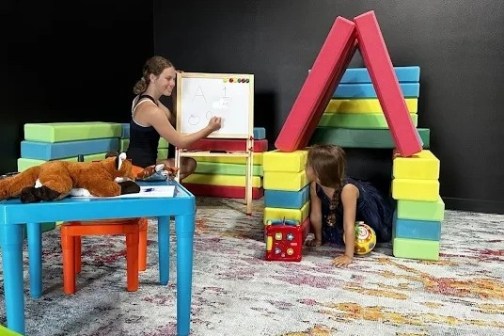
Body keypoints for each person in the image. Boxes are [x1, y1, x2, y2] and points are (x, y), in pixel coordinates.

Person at [126, 55, 221, 179]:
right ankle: (159, 185)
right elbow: (181, 142)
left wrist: (176, 91)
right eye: (168, 78)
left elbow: (174, 121)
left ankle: (163, 183)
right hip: (139, 170)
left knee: (189, 163)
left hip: (138, 164)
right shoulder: (152, 111)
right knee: (188, 164)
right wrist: (210, 128)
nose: (172, 83)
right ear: (153, 78)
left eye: (174, 79)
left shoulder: (143, 100)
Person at [305, 144, 393, 268]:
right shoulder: (315, 185)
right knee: (332, 233)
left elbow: (348, 224)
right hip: (340, 211)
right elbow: (316, 215)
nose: (305, 168)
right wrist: (318, 239)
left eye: (308, 165)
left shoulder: (348, 191)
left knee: (380, 234)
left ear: (318, 172)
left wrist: (348, 255)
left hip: (366, 213)